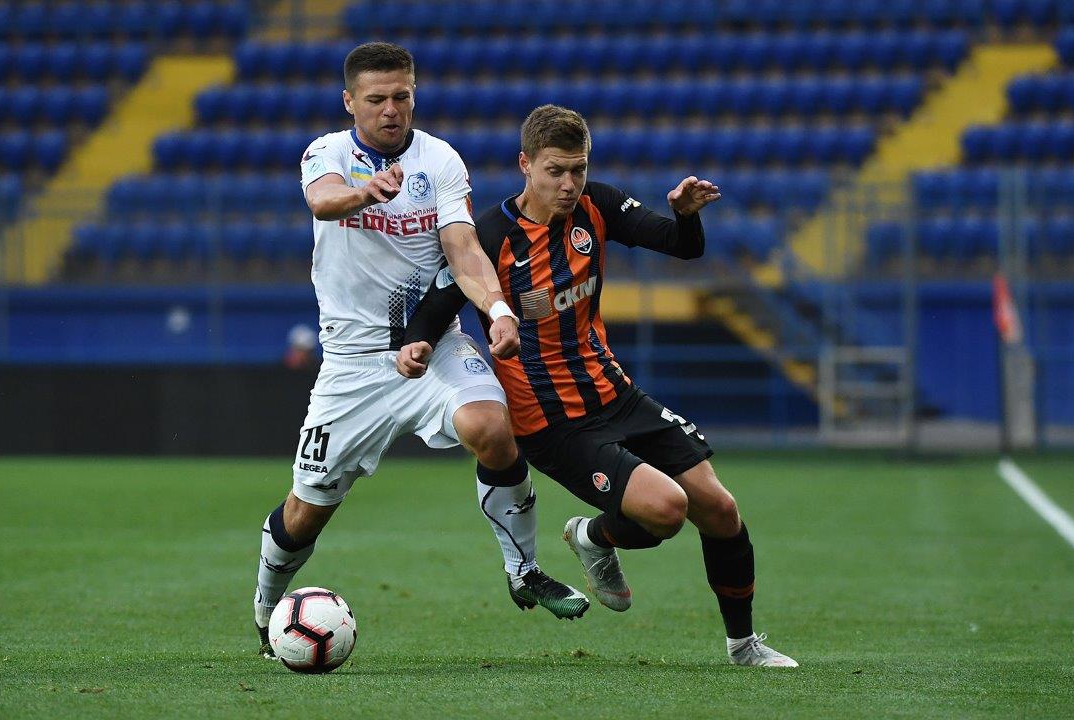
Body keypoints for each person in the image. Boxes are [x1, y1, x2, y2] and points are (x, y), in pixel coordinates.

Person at [397, 105, 797, 667]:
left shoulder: (597, 206)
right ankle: (597, 538)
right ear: (525, 165)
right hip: (551, 421)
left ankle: (742, 645)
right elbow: (437, 305)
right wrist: (415, 343)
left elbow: (682, 246)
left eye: (578, 170)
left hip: (614, 393)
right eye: (555, 171)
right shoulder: (490, 235)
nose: (568, 184)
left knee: (719, 508)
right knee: (666, 511)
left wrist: (685, 216)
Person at [255, 45, 588, 660]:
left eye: (401, 96)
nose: (390, 109)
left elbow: (462, 249)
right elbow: (322, 200)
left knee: (492, 428)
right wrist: (367, 194)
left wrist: (499, 310)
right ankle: (265, 609)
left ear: (414, 96)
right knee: (306, 511)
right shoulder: (326, 152)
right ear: (350, 101)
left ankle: (524, 570)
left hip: (432, 348)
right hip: (352, 365)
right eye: (376, 98)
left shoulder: (439, 160)